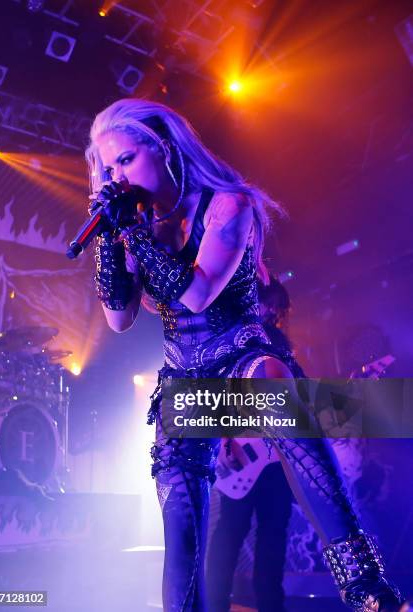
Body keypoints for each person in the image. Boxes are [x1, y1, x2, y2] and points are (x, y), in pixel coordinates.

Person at [85, 98, 404, 611]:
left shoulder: (227, 204)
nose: (114, 175)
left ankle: (369, 589)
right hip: (185, 383)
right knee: (181, 527)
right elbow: (119, 319)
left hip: (240, 361)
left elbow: (197, 293)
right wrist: (111, 243)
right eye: (106, 167)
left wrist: (132, 235)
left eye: (124, 160)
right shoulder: (137, 222)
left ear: (161, 147)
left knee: (275, 389)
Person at [206, 277, 299, 612]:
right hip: (243, 455)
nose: (272, 311)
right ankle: (213, 605)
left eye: (277, 307)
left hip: (277, 462)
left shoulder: (283, 348)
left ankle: (272, 607)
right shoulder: (234, 342)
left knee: (272, 540)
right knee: (229, 537)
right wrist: (223, 439)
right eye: (269, 303)